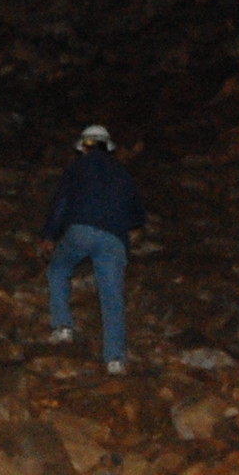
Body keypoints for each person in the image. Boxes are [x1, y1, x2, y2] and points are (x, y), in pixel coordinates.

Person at [43, 124, 146, 374]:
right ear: (107, 147)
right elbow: (136, 215)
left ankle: (63, 327)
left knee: (57, 269)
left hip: (80, 230)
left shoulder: (77, 167)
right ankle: (115, 360)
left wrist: (49, 236)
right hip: (114, 237)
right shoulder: (122, 173)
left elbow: (62, 203)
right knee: (112, 298)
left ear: (84, 146)